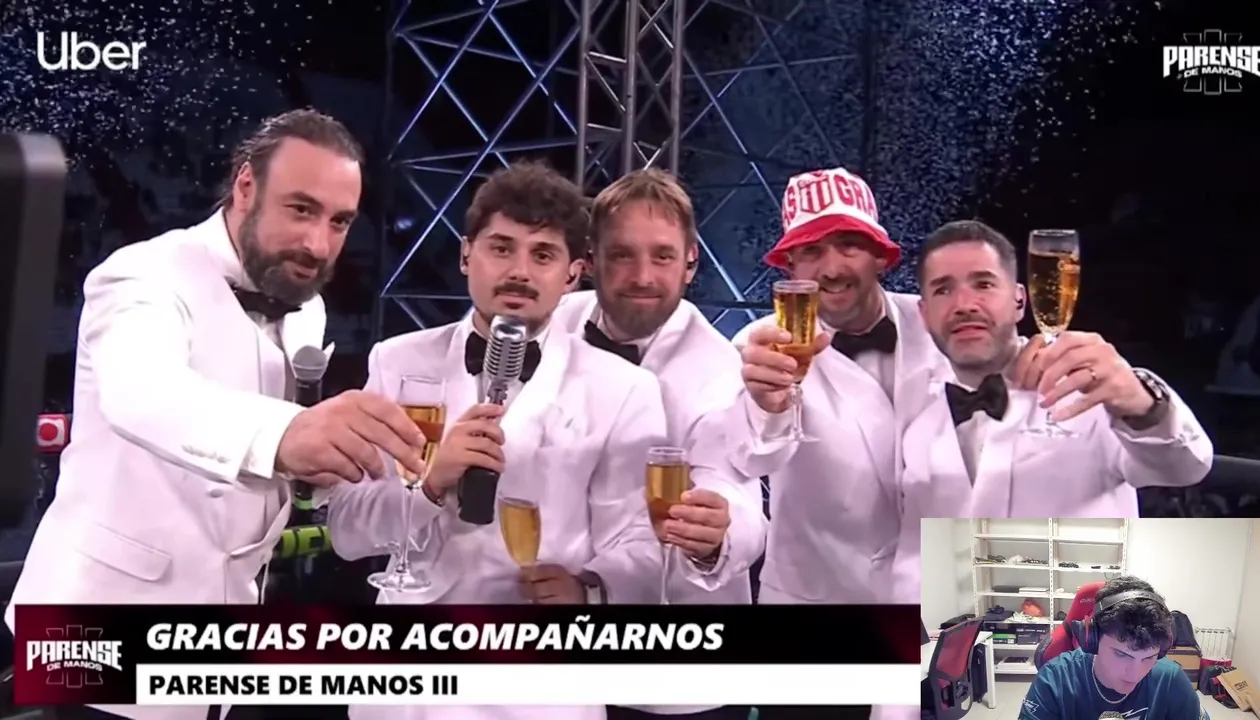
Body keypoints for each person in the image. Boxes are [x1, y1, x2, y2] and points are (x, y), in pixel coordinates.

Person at [9, 110, 427, 720]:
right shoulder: (143, 274)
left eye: (339, 222)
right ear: (245, 186)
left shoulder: (303, 303)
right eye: (301, 209)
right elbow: (142, 393)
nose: (318, 244)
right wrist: (287, 433)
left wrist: (319, 466)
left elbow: (258, 461)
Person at [325, 161, 666, 720]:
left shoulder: (624, 388)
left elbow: (642, 540)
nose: (519, 272)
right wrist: (429, 486)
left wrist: (589, 590)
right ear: (466, 255)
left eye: (543, 255)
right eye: (501, 248)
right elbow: (346, 531)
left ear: (573, 274)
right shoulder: (398, 361)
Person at [713, 167, 946, 720]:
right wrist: (768, 405)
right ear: (789, 268)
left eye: (849, 246)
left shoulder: (938, 325)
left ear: (881, 256)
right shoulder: (758, 346)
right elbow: (747, 457)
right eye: (812, 251)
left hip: (933, 614)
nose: (832, 267)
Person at [891, 221, 1213, 597]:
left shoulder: (1088, 384)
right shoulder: (915, 416)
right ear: (924, 314)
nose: (964, 305)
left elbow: (1187, 466)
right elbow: (912, 564)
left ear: (1019, 301)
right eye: (943, 290)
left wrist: (1141, 402)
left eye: (984, 284)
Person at [552, 169, 764, 720]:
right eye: (622, 255)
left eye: (663, 257)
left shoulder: (718, 369)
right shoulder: (554, 324)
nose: (642, 276)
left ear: (691, 262)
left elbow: (737, 497)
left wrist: (717, 537)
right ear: (590, 259)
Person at [1019, 577, 1206, 720]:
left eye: (1148, 657)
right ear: (1092, 640)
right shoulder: (1054, 681)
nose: (1135, 674)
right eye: (1121, 654)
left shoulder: (1171, 680)